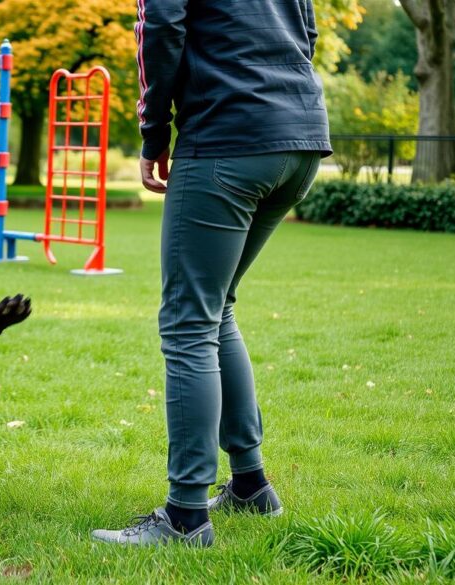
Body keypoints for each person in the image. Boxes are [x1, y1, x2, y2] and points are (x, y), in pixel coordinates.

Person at [91, 0, 332, 547]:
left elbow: (161, 27)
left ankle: (185, 517)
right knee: (215, 308)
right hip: (299, 136)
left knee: (188, 323)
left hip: (228, 140)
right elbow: (307, 27)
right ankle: (250, 486)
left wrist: (154, 135)